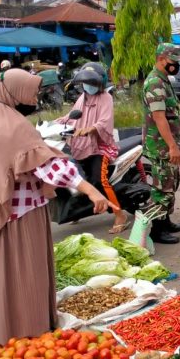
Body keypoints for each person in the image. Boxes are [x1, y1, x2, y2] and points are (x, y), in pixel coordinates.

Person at [0, 68, 115, 344]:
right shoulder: (13, 125)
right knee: (24, 271)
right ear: (15, 92)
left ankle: (0, 326)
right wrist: (90, 190)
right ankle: (27, 327)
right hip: (19, 213)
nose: (33, 99)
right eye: (31, 94)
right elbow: (49, 165)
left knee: (1, 273)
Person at [59, 64, 128, 234]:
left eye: (91, 82)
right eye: (85, 82)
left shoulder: (106, 98)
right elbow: (71, 116)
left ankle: (120, 215)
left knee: (100, 180)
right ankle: (79, 210)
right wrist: (53, 124)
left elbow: (105, 120)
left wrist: (92, 129)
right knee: (75, 177)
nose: (88, 86)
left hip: (100, 147)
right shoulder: (82, 98)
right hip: (80, 145)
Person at [142, 43, 180, 244]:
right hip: (161, 147)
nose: (176, 66)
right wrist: (172, 146)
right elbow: (159, 118)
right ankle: (156, 230)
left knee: (171, 183)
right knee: (162, 189)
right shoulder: (154, 83)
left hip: (165, 146)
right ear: (161, 59)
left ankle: (165, 220)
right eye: (173, 62)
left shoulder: (163, 80)